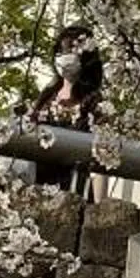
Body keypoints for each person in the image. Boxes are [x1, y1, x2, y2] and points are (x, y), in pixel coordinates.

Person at [27, 24, 105, 193]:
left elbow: (102, 153)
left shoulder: (94, 101)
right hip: (39, 181)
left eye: (70, 50)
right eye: (60, 51)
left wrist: (100, 204)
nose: (63, 56)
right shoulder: (46, 97)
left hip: (74, 185)